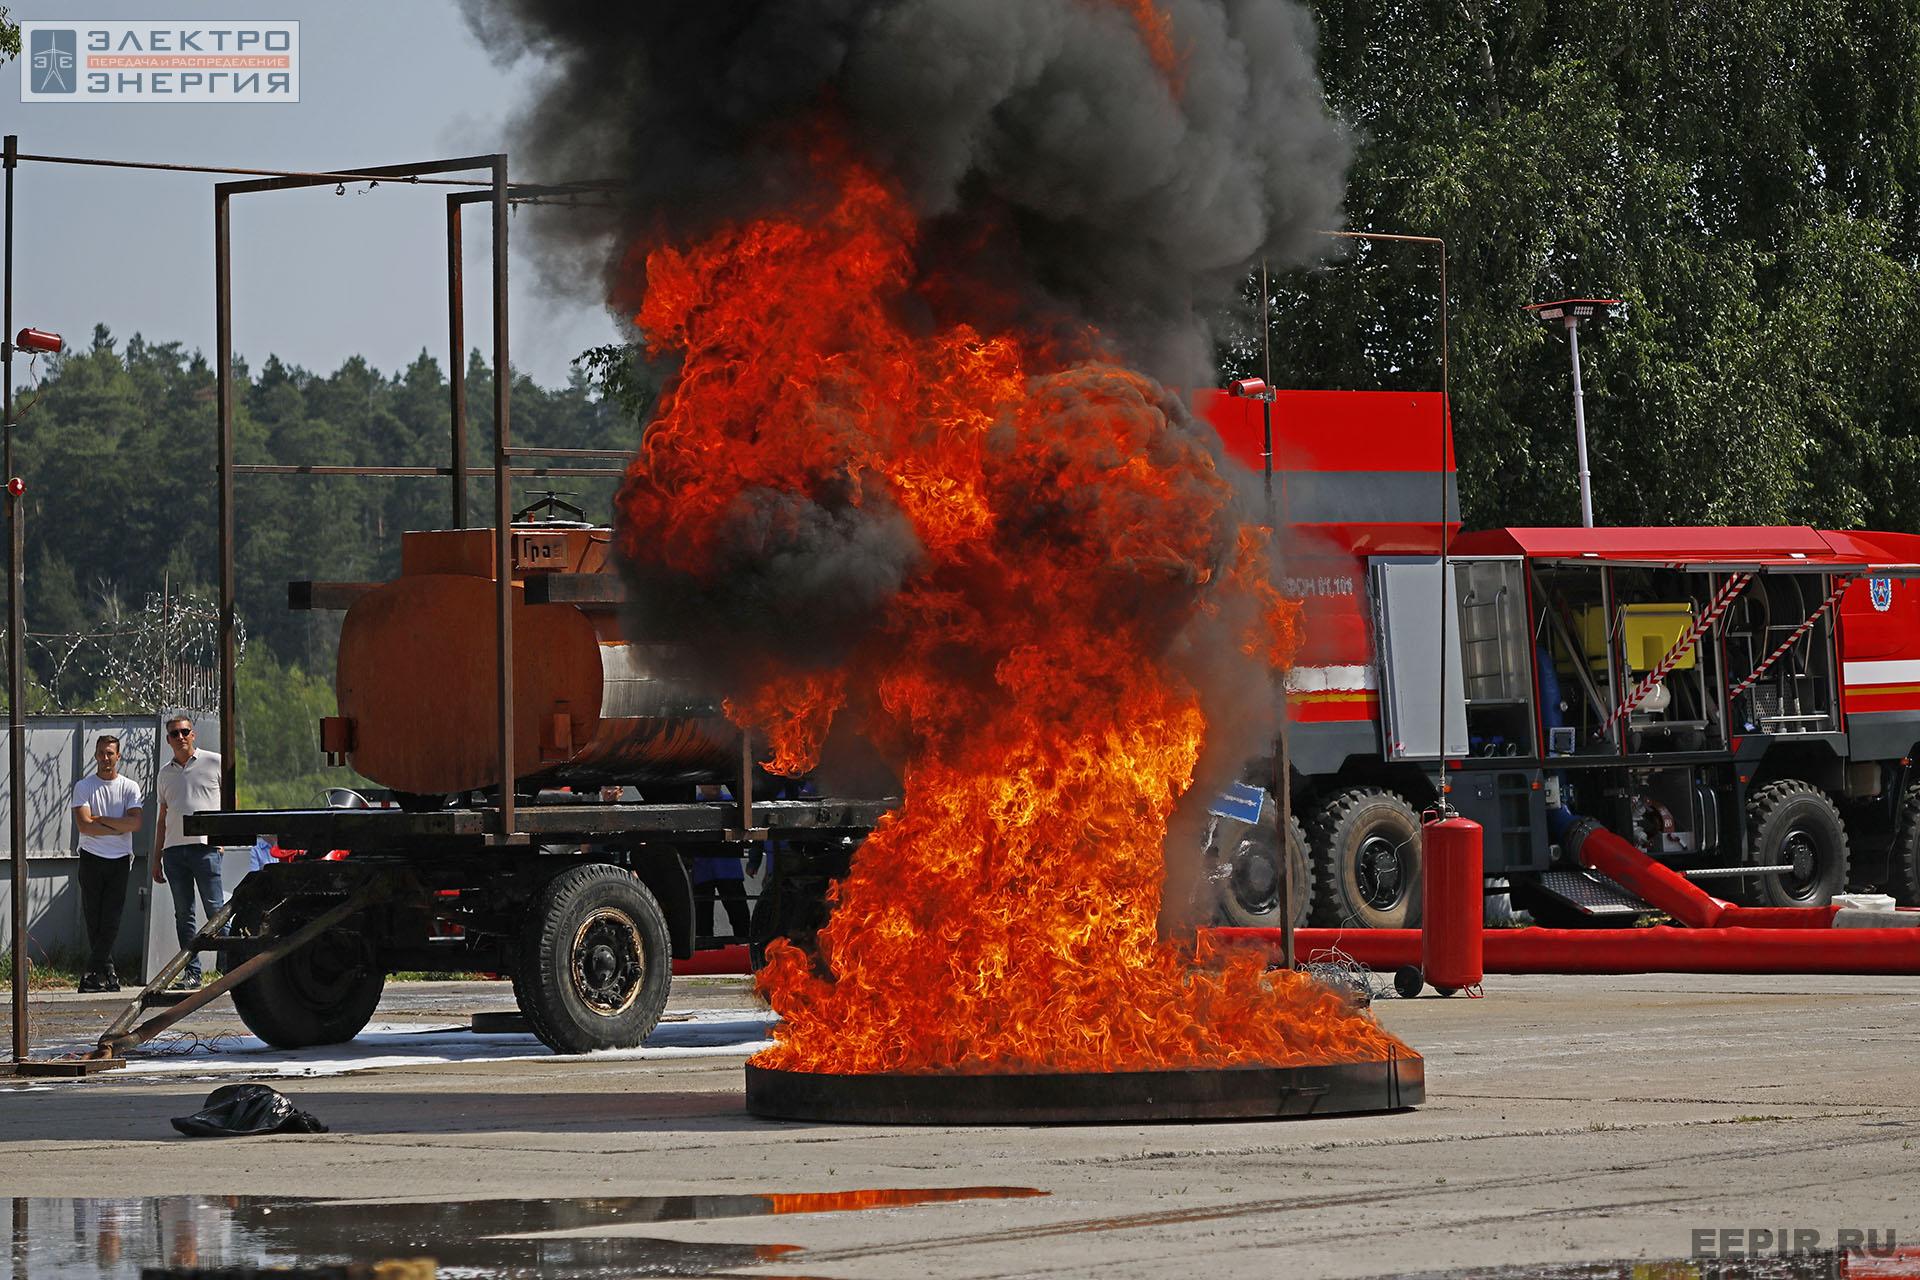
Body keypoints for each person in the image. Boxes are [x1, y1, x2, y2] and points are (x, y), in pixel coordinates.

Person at [152, 716, 225, 990]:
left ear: (193, 735)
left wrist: (222, 841)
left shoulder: (214, 762)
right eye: (175, 733)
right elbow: (162, 818)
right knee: (183, 915)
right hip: (174, 852)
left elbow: (230, 802)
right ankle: (192, 973)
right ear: (168, 740)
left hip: (205, 849)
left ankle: (233, 966)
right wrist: (157, 857)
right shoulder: (164, 774)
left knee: (216, 912)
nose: (180, 737)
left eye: (185, 732)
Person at [70, 734, 144, 992]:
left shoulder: (129, 787)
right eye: (101, 753)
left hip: (119, 859)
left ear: (118, 756)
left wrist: (101, 819)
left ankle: (92, 972)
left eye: (110, 753)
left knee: (111, 919)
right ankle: (107, 972)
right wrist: (118, 826)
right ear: (95, 755)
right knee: (94, 919)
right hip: (91, 858)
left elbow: (135, 823)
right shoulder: (84, 786)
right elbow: (84, 826)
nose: (105, 758)